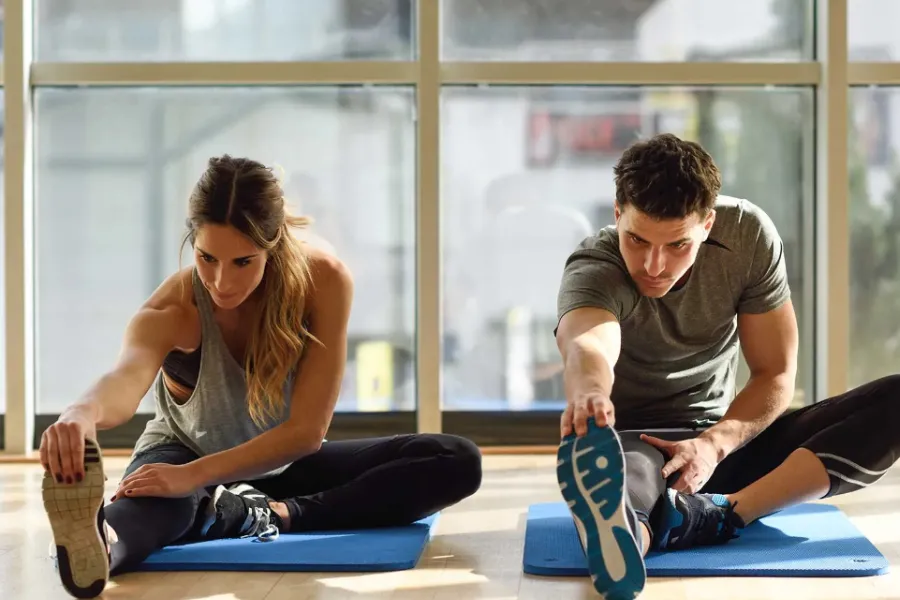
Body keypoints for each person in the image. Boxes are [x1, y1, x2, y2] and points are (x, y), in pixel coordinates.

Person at [39, 155, 483, 599]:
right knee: (160, 506)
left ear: (272, 245)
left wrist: (197, 477)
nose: (221, 282)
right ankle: (102, 545)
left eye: (243, 262)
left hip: (281, 461)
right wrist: (82, 413)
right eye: (207, 258)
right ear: (192, 241)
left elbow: (306, 433)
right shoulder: (173, 308)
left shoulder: (323, 281)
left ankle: (268, 513)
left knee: (455, 459)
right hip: (182, 453)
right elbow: (125, 378)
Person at [554, 133, 900, 600]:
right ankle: (627, 539)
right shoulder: (595, 265)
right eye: (637, 239)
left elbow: (775, 372)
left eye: (677, 244)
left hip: (726, 442)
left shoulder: (747, 236)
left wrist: (713, 446)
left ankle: (725, 513)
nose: (653, 265)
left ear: (708, 224)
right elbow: (589, 345)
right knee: (621, 488)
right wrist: (590, 393)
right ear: (618, 214)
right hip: (636, 444)